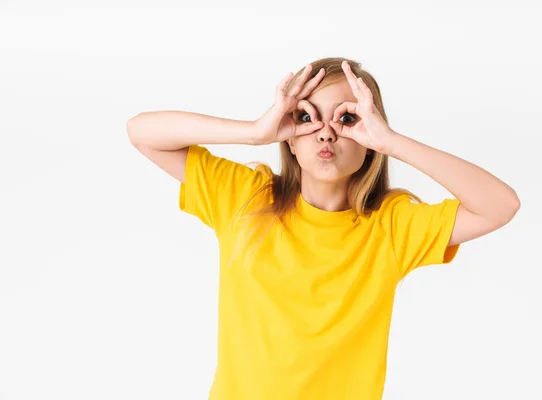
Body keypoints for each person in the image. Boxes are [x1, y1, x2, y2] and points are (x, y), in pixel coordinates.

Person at [127, 57, 520, 400]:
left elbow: (500, 206)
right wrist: (253, 132)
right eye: (306, 117)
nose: (326, 131)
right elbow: (142, 132)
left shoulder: (391, 227)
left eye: (347, 118)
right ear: (290, 137)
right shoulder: (245, 198)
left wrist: (392, 142)